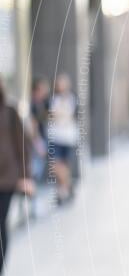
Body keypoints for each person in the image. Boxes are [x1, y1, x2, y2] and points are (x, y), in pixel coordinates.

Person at [0, 79, 33, 276]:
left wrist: (25, 176)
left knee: (1, 223)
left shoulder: (10, 112)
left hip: (6, 179)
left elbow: (23, 144)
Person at [47, 73, 79, 205]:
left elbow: (69, 116)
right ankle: (68, 186)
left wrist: (60, 116)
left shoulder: (72, 99)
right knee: (56, 165)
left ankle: (61, 192)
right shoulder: (53, 99)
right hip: (55, 137)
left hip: (68, 138)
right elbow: (52, 116)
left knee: (64, 165)